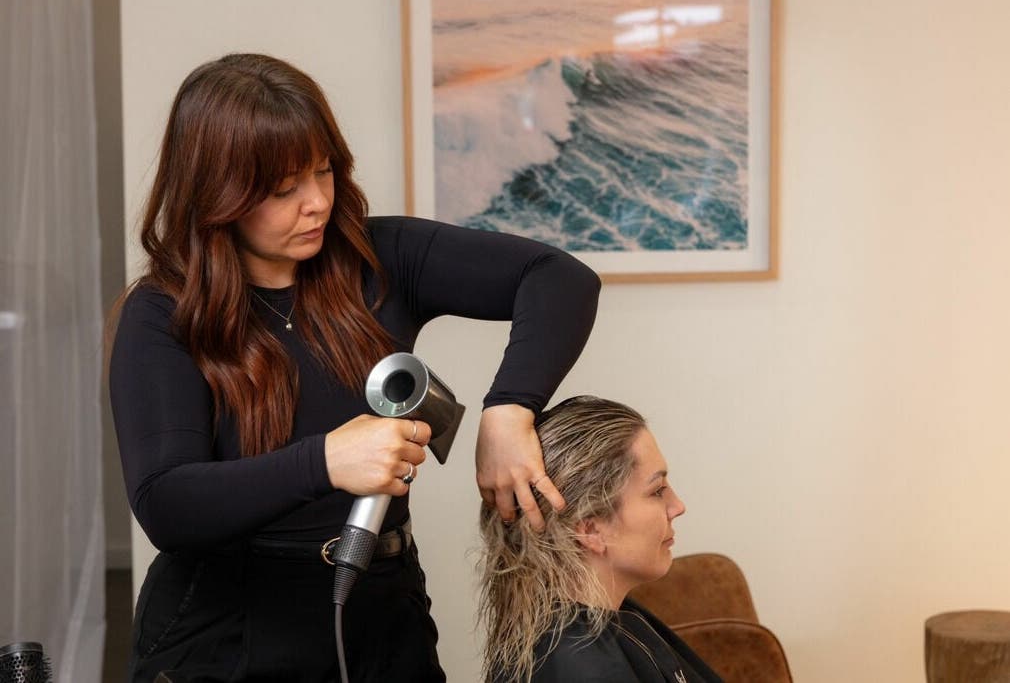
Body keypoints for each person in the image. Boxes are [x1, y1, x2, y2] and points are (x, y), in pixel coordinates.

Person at [108, 53, 600, 682]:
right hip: (225, 635)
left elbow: (559, 278)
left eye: (324, 171)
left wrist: (511, 409)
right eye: (284, 189)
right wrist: (326, 461)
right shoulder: (162, 315)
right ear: (217, 193)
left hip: (382, 615)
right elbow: (166, 504)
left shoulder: (378, 259)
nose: (315, 202)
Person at [477, 396, 722, 683]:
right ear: (591, 531)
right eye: (657, 491)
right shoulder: (582, 665)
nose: (677, 506)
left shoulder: (587, 629)